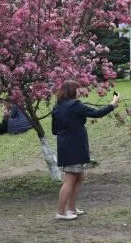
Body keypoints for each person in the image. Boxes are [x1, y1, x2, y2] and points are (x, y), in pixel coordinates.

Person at [51, 81, 120, 220]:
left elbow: (54, 130)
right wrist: (113, 104)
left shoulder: (57, 107)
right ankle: (61, 211)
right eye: (77, 89)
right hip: (75, 146)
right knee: (70, 179)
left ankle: (71, 208)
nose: (79, 91)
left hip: (65, 145)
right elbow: (96, 113)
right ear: (72, 91)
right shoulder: (75, 105)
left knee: (79, 177)